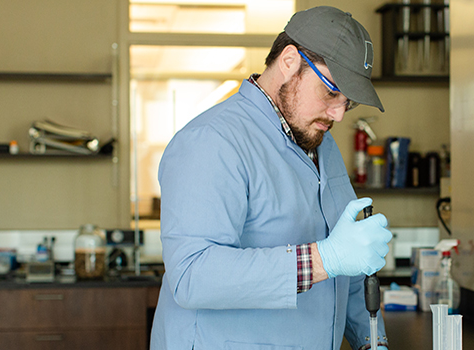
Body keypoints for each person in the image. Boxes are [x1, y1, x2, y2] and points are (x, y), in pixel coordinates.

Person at [150, 6, 394, 350]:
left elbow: (348, 271)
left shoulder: (322, 145)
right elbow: (192, 275)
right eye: (330, 92)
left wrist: (372, 340)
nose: (338, 113)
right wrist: (324, 260)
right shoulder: (212, 141)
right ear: (290, 61)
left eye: (348, 102)